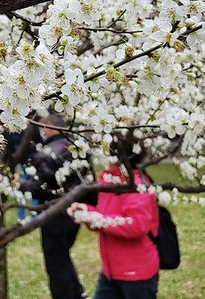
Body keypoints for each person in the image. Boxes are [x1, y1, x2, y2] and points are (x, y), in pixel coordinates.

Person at [67, 136, 159, 299]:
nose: (100, 153)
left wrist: (98, 219)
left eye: (104, 148)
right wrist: (87, 212)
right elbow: (105, 215)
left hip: (136, 272)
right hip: (111, 271)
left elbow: (138, 225)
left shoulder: (135, 185)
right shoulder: (108, 181)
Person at [19, 113, 87, 299]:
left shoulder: (45, 155)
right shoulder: (76, 147)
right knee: (62, 255)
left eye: (43, 127)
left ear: (50, 128)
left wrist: (20, 184)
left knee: (55, 262)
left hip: (54, 213)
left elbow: (39, 189)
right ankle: (77, 292)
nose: (41, 131)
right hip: (74, 210)